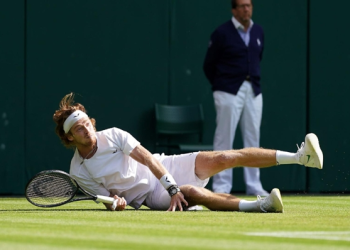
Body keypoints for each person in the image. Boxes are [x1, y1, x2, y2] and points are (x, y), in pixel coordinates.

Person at [53, 93, 323, 213]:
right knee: (191, 193)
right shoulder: (79, 171)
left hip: (162, 166)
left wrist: (171, 186)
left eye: (87, 123)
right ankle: (262, 205)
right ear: (69, 137)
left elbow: (146, 158)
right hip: (149, 195)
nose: (86, 129)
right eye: (79, 128)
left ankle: (300, 157)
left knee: (223, 158)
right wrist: (116, 203)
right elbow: (108, 197)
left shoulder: (113, 134)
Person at [203, 0, 268, 195]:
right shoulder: (221, 33)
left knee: (253, 138)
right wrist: (221, 86)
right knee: (224, 138)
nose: (246, 8)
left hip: (253, 90)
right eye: (241, 5)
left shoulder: (258, 32)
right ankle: (222, 186)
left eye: (248, 5)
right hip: (228, 90)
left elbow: (258, 57)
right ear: (234, 9)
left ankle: (254, 185)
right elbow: (209, 65)